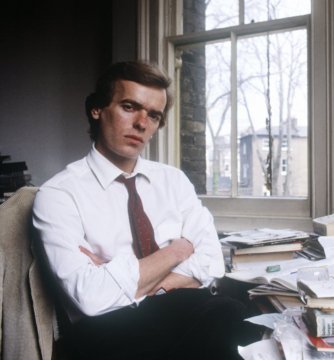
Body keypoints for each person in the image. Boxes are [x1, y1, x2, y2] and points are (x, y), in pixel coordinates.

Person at [33, 61, 258, 360]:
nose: (142, 123)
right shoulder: (58, 194)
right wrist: (178, 250)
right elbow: (90, 297)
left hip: (186, 313)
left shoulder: (173, 180)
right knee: (230, 314)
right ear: (97, 109)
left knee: (239, 319)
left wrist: (126, 277)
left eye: (153, 115)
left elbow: (212, 262)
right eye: (129, 106)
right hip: (106, 334)